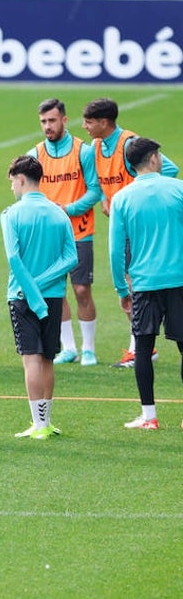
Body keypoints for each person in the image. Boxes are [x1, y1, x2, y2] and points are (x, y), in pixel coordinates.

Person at [82, 97, 179, 368]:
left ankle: (142, 348)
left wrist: (143, 199)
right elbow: (101, 179)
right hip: (122, 224)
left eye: (89, 121)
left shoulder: (129, 144)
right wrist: (104, 197)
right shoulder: (97, 146)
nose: (84, 126)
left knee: (135, 284)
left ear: (104, 122)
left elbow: (168, 169)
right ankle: (141, 347)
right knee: (131, 283)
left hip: (136, 225)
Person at [107, 137, 183, 431]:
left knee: (142, 348)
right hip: (179, 280)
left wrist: (120, 289)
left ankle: (149, 416)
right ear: (153, 159)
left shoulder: (122, 199)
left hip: (145, 284)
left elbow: (115, 251)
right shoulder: (178, 189)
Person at [1, 155, 79, 440]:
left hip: (22, 295)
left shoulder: (11, 214)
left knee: (31, 359)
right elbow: (71, 258)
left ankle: (39, 424)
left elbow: (13, 257)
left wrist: (31, 287)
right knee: (47, 357)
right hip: (54, 296)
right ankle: (46, 421)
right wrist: (45, 282)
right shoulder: (59, 213)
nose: (12, 188)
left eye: (12, 182)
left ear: (21, 180)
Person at [26, 99, 102, 367]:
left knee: (82, 289)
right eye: (44, 122)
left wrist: (67, 209)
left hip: (80, 231)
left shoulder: (83, 151)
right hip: (50, 235)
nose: (48, 126)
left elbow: (95, 190)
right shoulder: (35, 154)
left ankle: (89, 348)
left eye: (52, 121)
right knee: (56, 292)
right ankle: (68, 347)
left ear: (64, 120)